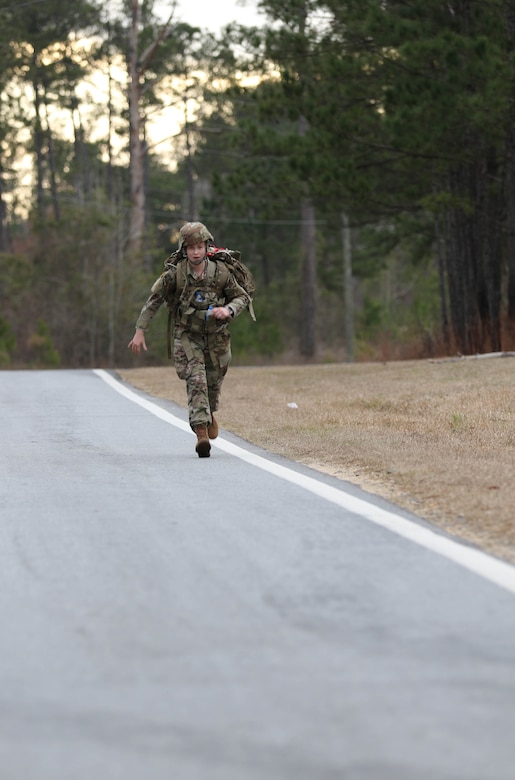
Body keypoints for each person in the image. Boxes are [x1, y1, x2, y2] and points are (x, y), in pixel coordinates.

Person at [128, 222, 250, 458]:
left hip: (217, 339)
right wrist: (140, 329)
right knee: (196, 380)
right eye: (191, 247)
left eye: (199, 246)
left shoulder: (221, 273)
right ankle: (201, 433)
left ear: (207, 247)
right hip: (186, 336)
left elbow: (241, 297)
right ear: (184, 249)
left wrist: (229, 310)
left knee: (212, 385)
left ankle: (209, 413)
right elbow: (154, 300)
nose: (195, 251)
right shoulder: (176, 275)